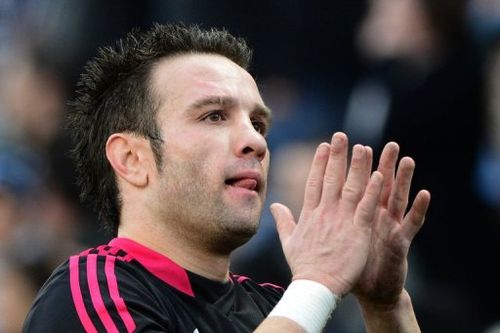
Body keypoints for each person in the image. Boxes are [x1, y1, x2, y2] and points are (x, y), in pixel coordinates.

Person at [23, 23, 430, 333]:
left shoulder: (277, 308)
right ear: (131, 158)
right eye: (214, 116)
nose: (255, 140)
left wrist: (385, 308)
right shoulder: (90, 292)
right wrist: (318, 280)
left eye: (258, 122)